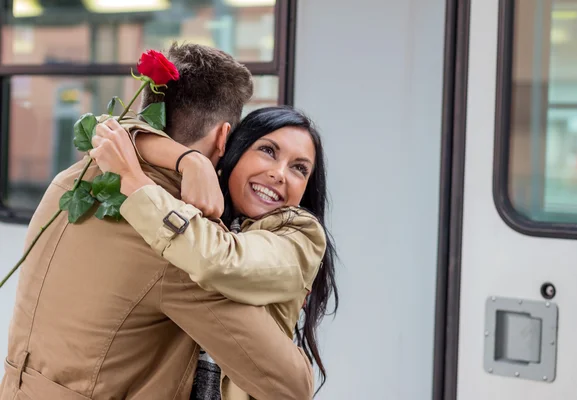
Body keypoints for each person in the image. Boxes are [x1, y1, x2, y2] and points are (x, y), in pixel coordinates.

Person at [0, 43, 314, 400]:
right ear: (225, 136)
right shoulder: (177, 240)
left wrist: (187, 160)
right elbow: (289, 384)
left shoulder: (71, 179)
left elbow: (113, 128)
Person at [90, 106, 339, 399]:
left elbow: (222, 262)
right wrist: (190, 159)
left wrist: (134, 182)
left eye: (299, 168)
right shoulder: (198, 206)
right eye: (268, 151)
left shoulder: (300, 236)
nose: (279, 173)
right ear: (235, 149)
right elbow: (104, 126)